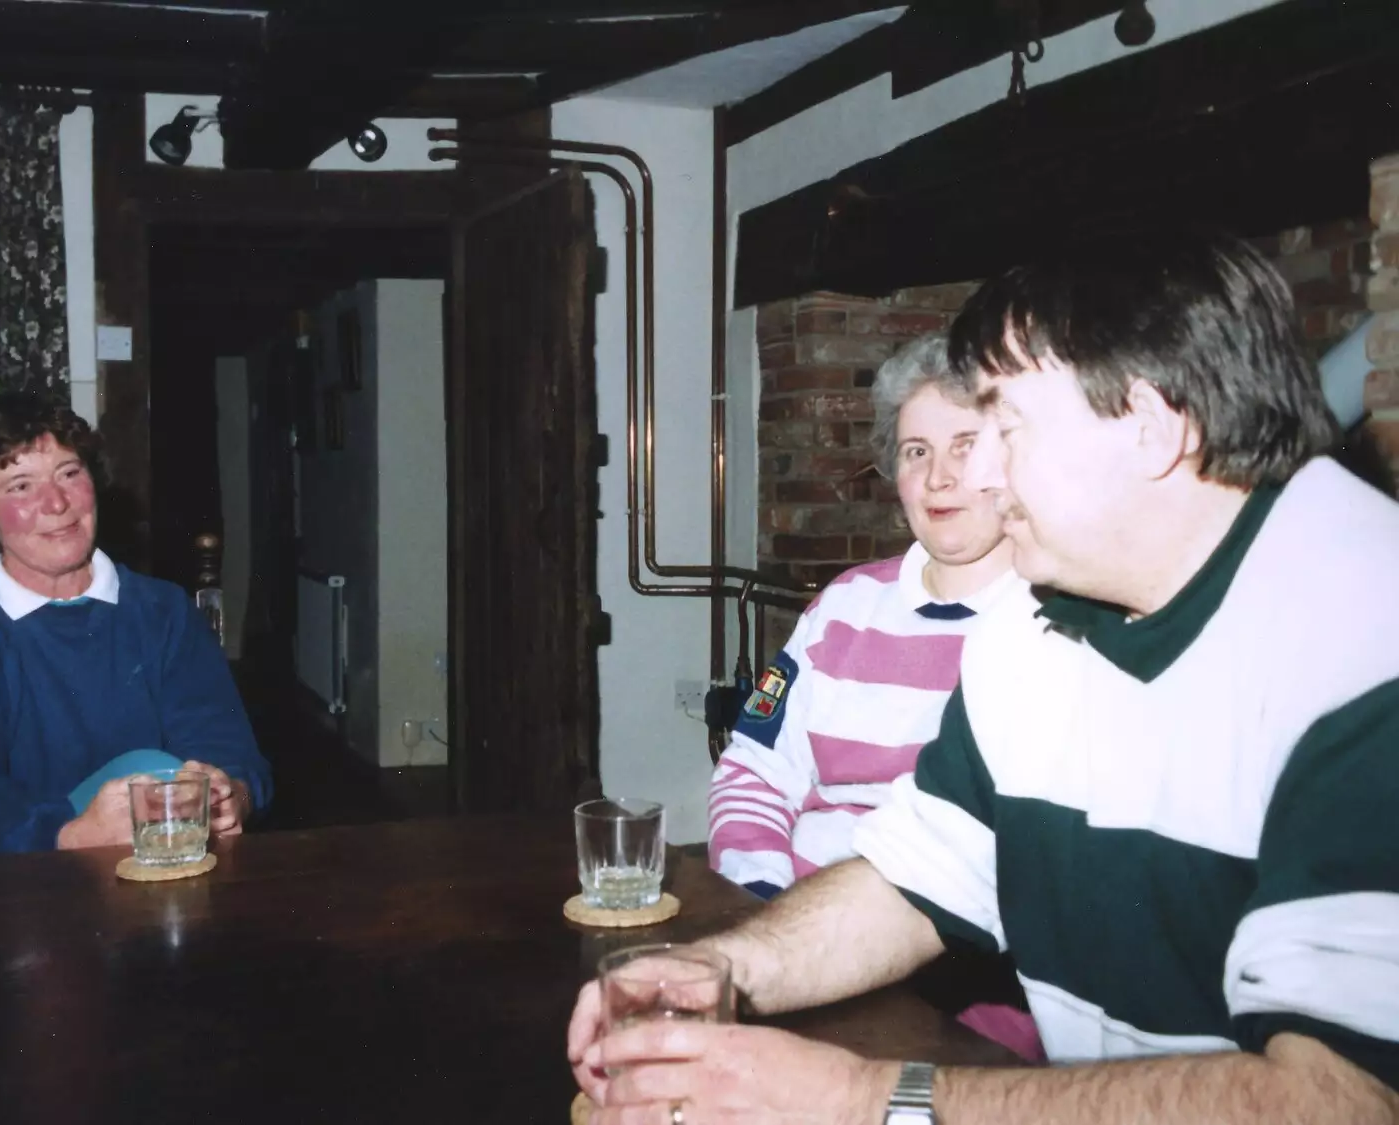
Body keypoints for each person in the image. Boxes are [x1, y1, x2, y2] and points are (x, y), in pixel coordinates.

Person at [568, 233, 1399, 1124]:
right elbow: (915, 877)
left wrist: (864, 1097)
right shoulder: (1032, 625)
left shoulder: (1365, 631)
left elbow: (1346, 1096)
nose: (978, 475)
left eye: (1004, 426)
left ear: (1153, 427)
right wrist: (726, 970)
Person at [707, 334, 1039, 1060]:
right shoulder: (843, 606)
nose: (940, 477)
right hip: (796, 939)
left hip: (957, 981)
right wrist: (765, 903)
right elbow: (751, 770)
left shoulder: (1051, 624)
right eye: (917, 451)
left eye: (965, 445)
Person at [0, 392, 272, 859]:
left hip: (140, 854)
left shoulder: (163, 611)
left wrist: (230, 793)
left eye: (69, 473)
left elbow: (226, 747)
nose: (56, 503)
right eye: (20, 486)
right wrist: (70, 834)